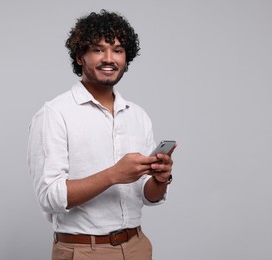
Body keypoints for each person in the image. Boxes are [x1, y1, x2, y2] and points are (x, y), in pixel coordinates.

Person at [27, 9, 176, 260]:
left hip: (137, 246)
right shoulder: (54, 114)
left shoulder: (138, 116)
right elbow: (50, 197)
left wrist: (160, 180)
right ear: (79, 57)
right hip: (84, 250)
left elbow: (147, 197)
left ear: (126, 59)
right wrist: (114, 175)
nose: (109, 58)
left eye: (117, 50)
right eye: (98, 49)